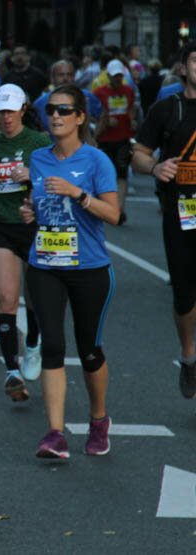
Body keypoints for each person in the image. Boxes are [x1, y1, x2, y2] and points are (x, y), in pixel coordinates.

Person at [19, 84, 119, 459]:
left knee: (89, 349)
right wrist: (30, 211)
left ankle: (98, 419)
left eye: (64, 110)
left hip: (90, 267)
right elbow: (39, 203)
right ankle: (55, 433)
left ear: (80, 117)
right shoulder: (38, 158)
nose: (56, 116)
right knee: (53, 346)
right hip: (45, 264)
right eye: (51, 111)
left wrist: (78, 194)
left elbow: (113, 214)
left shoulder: (97, 161)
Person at [0, 84, 51, 401]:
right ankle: (12, 371)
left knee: (33, 298)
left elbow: (50, 180)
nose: (5, 117)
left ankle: (32, 345)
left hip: (31, 225)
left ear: (23, 109)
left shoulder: (39, 142)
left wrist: (30, 176)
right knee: (6, 298)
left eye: (10, 111)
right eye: (1, 111)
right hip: (1, 223)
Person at [132, 41, 196, 401]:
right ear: (183, 68)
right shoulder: (166, 109)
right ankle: (188, 354)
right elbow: (138, 154)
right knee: (185, 294)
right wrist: (155, 167)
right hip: (181, 212)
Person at [93, 59, 136, 224]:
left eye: (119, 76)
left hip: (123, 137)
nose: (117, 79)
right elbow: (93, 114)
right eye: (114, 76)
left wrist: (132, 120)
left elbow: (131, 108)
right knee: (105, 174)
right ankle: (106, 207)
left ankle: (119, 209)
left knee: (122, 173)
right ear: (108, 76)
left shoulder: (128, 90)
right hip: (104, 139)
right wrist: (103, 121)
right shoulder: (99, 92)